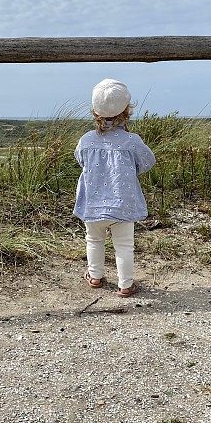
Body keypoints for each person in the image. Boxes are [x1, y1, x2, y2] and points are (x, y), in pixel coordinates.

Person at [73, 78, 156, 297]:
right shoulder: (132, 141)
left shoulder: (86, 140)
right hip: (122, 202)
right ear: (127, 111)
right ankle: (126, 285)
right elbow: (148, 161)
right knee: (125, 244)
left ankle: (95, 276)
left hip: (93, 203)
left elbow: (80, 160)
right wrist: (128, 171)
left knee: (93, 239)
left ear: (94, 111)